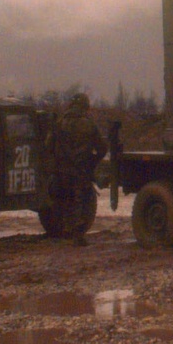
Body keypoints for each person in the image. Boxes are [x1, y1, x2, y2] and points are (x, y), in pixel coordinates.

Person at [50, 93, 107, 246]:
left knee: (63, 200)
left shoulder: (59, 123)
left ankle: (65, 230)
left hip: (61, 170)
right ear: (85, 106)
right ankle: (78, 235)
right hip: (81, 170)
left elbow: (49, 146)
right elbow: (102, 148)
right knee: (80, 201)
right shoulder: (88, 124)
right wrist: (92, 162)